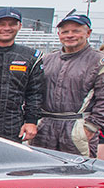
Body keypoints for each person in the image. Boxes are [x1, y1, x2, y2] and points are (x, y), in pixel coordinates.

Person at [32, 14, 104, 157]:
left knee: (77, 174)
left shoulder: (98, 61)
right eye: (65, 32)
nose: (70, 35)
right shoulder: (46, 59)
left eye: (76, 31)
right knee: (40, 170)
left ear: (88, 33)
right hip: (44, 126)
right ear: (59, 35)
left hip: (77, 128)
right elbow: (34, 92)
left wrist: (90, 128)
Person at [0, 7, 45, 142]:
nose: (7, 28)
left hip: (13, 124)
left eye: (12, 24)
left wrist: (31, 120)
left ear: (20, 26)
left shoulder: (30, 57)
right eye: (1, 24)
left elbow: (35, 93)